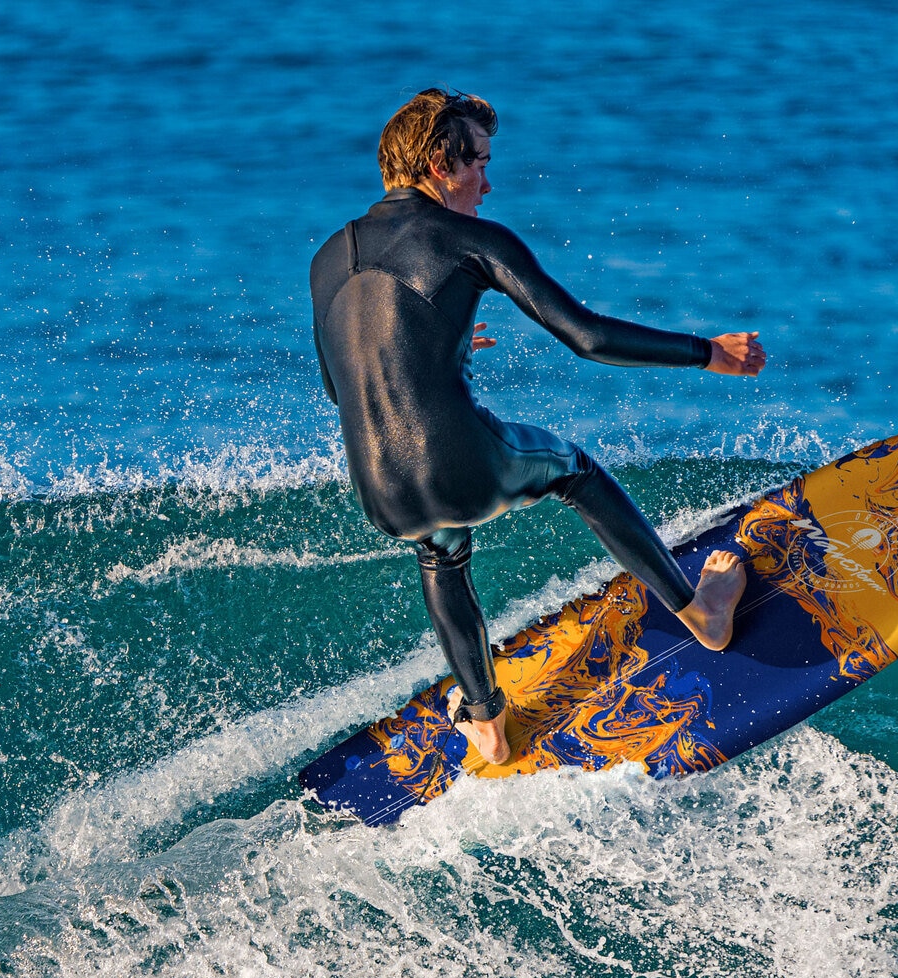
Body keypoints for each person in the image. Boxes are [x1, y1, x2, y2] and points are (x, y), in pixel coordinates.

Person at [310, 88, 766, 766]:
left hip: (380, 491)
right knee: (573, 469)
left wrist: (447, 347)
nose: (487, 185)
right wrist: (708, 352)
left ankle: (488, 723)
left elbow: (340, 384)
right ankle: (699, 611)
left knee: (439, 548)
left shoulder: (326, 257)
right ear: (441, 164)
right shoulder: (471, 239)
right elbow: (586, 335)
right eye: (480, 166)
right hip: (461, 460)